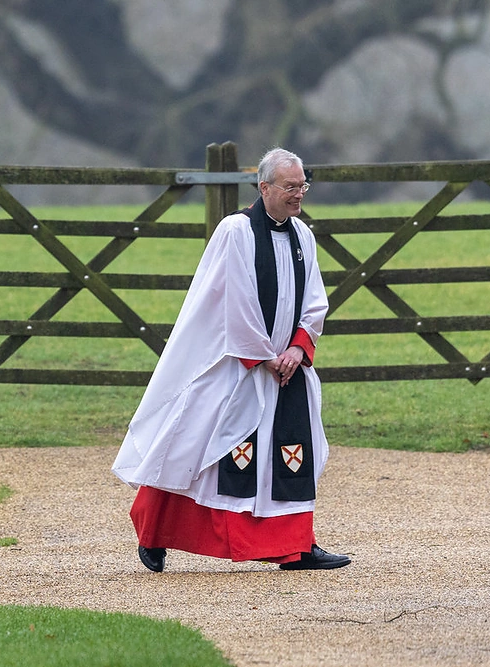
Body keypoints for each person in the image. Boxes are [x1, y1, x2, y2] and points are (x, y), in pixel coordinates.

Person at [112, 148, 350, 572]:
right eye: (291, 187)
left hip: (288, 368)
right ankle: (155, 533)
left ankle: (296, 546)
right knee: (195, 443)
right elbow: (232, 300)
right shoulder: (235, 231)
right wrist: (263, 355)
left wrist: (297, 348)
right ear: (264, 187)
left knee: (292, 453)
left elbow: (315, 301)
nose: (299, 195)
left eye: (303, 186)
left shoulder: (303, 236)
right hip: (237, 363)